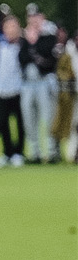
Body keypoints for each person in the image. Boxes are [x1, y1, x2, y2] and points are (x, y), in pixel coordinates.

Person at [0, 15, 30, 167]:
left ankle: (19, 152)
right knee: (2, 122)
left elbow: (26, 61)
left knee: (19, 123)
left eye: (13, 27)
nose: (11, 30)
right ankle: (8, 152)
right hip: (0, 89)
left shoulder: (23, 45)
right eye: (8, 27)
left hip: (19, 89)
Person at [22, 4, 59, 163]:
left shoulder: (49, 35)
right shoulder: (24, 36)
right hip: (28, 83)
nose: (33, 20)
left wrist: (34, 43)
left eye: (36, 17)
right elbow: (22, 58)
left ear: (41, 17)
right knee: (29, 119)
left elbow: (49, 58)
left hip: (44, 81)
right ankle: (35, 152)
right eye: (30, 17)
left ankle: (52, 152)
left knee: (48, 118)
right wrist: (30, 43)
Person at [56, 27, 76, 162]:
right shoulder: (69, 52)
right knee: (73, 124)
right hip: (71, 94)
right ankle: (71, 153)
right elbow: (61, 71)